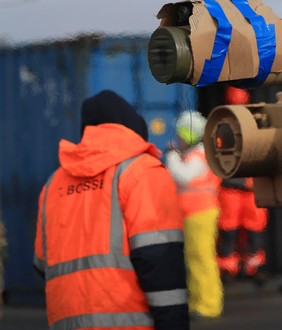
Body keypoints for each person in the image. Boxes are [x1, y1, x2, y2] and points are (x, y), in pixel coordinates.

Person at [33, 90, 189, 330]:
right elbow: (160, 261)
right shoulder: (142, 172)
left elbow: (42, 263)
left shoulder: (53, 184)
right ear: (132, 127)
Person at [165, 110, 223, 319]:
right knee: (195, 259)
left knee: (202, 259)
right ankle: (199, 302)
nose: (178, 138)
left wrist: (171, 155)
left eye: (180, 134)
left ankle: (208, 305)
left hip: (200, 214)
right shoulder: (197, 154)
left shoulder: (198, 156)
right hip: (195, 214)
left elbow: (183, 176)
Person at [216, 86, 269, 282]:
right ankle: (236, 268)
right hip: (237, 186)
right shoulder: (225, 123)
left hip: (244, 186)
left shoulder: (224, 122)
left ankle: (244, 268)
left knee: (247, 230)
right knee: (232, 230)